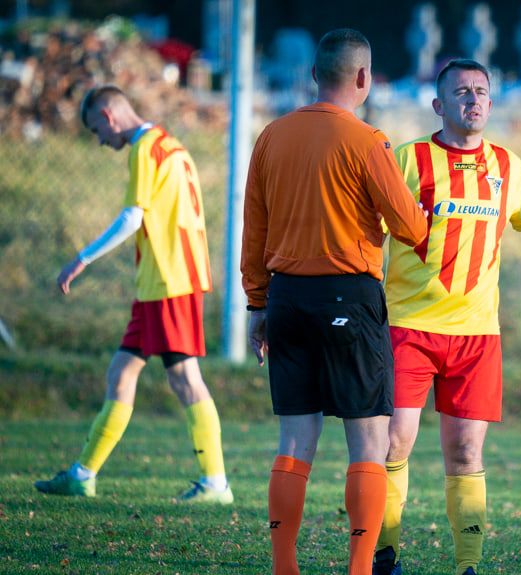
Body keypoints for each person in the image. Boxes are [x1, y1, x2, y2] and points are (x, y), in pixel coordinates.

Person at [240, 29, 427, 575]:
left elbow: (255, 229)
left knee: (296, 436)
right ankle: (360, 568)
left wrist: (258, 305)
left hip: (287, 298)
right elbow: (411, 226)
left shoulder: (272, 136)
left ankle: (284, 566)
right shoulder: (368, 141)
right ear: (364, 78)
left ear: (314, 75)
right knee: (368, 437)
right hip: (350, 295)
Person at [373, 58, 521, 575]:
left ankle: (468, 565)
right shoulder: (407, 160)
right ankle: (384, 553)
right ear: (439, 105)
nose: (473, 99)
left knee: (466, 452)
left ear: (491, 103)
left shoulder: (507, 164)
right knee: (394, 441)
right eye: (461, 92)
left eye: (481, 91)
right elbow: (369, 228)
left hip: (477, 335)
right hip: (408, 328)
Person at [35, 85, 232, 504]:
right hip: (159, 283)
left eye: (95, 131)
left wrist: (82, 259)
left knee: (184, 378)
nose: (99, 142)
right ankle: (82, 475)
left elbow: (132, 217)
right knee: (121, 373)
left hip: (170, 280)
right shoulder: (170, 144)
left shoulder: (144, 149)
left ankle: (216, 484)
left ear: (108, 117)